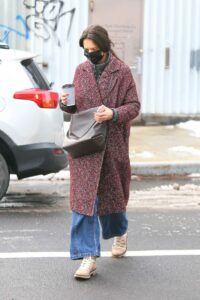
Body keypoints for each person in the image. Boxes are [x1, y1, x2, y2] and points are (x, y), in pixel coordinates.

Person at [60, 24, 140, 280]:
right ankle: (88, 258)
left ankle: (120, 231)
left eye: (94, 50)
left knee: (113, 199)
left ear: (105, 48)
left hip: (112, 143)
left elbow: (134, 106)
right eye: (86, 51)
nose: (89, 55)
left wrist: (114, 114)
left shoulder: (122, 72)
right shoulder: (81, 71)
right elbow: (73, 110)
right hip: (84, 146)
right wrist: (66, 104)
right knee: (84, 203)